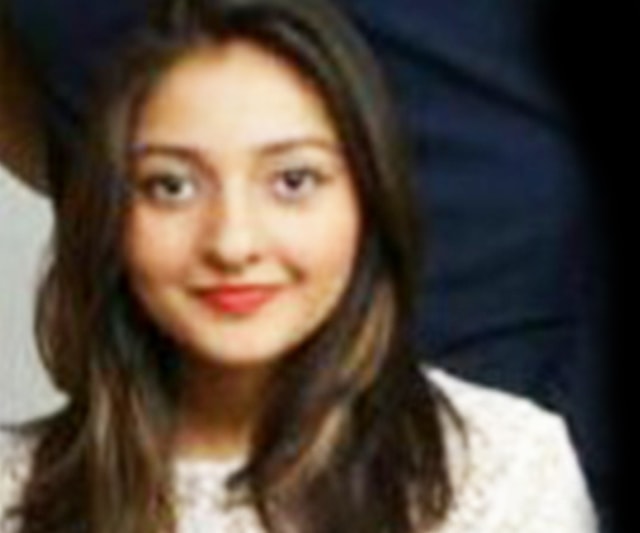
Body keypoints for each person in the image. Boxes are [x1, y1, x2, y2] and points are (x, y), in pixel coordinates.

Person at [0, 1, 596, 532]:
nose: (233, 243)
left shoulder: (506, 470)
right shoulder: (14, 488)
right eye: (171, 186)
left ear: (369, 196)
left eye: (292, 181)